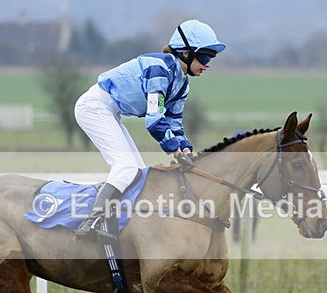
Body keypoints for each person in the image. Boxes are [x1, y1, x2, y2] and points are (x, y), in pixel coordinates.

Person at [73, 19, 226, 242]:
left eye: (211, 58)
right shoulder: (159, 69)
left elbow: (174, 122)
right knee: (126, 168)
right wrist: (175, 150)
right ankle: (91, 222)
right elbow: (154, 119)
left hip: (111, 111)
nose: (208, 64)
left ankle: (115, 222)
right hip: (94, 107)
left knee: (136, 171)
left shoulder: (182, 84)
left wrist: (185, 148)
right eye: (204, 57)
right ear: (185, 53)